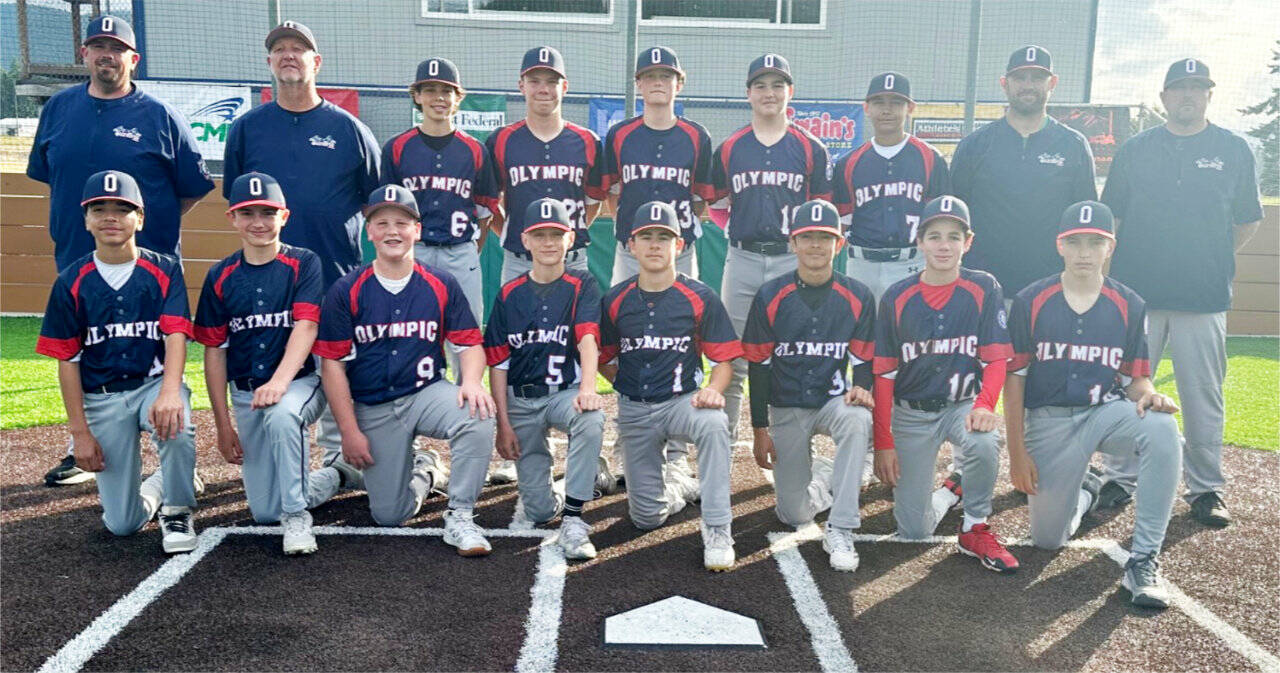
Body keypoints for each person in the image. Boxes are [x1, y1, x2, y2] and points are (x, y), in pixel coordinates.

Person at [27, 15, 214, 487]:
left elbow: (191, 186)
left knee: (156, 353)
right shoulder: (59, 110)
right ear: (85, 55)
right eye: (97, 46)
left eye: (116, 48)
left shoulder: (159, 115)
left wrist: (144, 228)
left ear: (134, 58)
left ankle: (174, 460)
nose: (106, 55)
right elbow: (51, 174)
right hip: (77, 257)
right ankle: (82, 444)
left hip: (149, 263)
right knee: (88, 351)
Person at [1096, 59, 1264, 528]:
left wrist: (1211, 256)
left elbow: (1248, 219)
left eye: (1197, 88)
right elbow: (1115, 217)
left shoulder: (1232, 148)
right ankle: (1120, 477)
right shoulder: (1136, 148)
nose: (1188, 95)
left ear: (1210, 95)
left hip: (1202, 295)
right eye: (1179, 88)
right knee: (1127, 389)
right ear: (1165, 96)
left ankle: (1206, 488)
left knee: (1202, 395)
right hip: (1138, 294)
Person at [222, 20, 381, 484]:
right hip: (268, 279)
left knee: (336, 365)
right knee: (275, 370)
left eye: (299, 49)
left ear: (317, 62)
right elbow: (235, 198)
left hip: (333, 272)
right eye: (280, 50)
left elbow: (374, 203)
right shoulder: (247, 129)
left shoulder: (349, 129)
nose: (289, 55)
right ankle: (279, 460)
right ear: (269, 63)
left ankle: (339, 458)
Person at [1005, 200, 1183, 608]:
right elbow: (1014, 380)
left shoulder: (1130, 303)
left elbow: (1136, 378)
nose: (1084, 251)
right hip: (1048, 421)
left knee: (1161, 427)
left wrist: (1150, 394)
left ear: (1110, 248)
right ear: (1060, 246)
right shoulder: (1032, 299)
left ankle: (1143, 559)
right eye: (1075, 241)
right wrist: (1017, 453)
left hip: (1105, 413)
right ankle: (1087, 491)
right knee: (1048, 540)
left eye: (1095, 242)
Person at [313, 185, 496, 555]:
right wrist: (349, 432)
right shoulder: (346, 290)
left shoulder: (440, 283)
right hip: (374, 406)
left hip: (425, 392)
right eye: (382, 223)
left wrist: (473, 381)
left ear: (418, 229)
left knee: (477, 414)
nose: (392, 231)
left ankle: (460, 514)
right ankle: (425, 471)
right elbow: (332, 366)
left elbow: (470, 342)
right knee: (389, 515)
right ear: (369, 231)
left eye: (401, 222)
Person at [35, 170, 200, 554]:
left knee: (176, 421)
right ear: (86, 219)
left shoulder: (164, 269)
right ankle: (165, 482)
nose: (111, 216)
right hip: (102, 397)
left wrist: (171, 391)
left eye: (122, 209)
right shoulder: (70, 281)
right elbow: (67, 360)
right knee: (123, 525)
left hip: (151, 384)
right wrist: (80, 434)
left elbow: (176, 334)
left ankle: (177, 508)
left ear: (140, 218)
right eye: (100, 208)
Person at [194, 172, 355, 556]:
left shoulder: (303, 262)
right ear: (232, 218)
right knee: (265, 511)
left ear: (284, 216)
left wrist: (281, 382)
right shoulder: (220, 275)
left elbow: (307, 325)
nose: (258, 222)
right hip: (247, 391)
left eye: (267, 212)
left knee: (283, 415)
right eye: (247, 213)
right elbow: (214, 352)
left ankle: (298, 518)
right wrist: (221, 424)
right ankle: (337, 475)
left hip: (300, 380)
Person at [872, 195, 1019, 574]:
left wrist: (985, 405)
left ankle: (975, 526)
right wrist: (884, 443)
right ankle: (950, 490)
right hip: (911, 413)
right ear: (919, 241)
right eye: (934, 235)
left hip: (961, 406)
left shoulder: (983, 287)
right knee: (914, 532)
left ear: (967, 242)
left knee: (985, 440)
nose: (944, 245)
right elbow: (884, 375)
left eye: (954, 236)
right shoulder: (896, 296)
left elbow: (996, 359)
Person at [485, 45, 606, 484]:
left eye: (551, 80)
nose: (543, 88)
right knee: (521, 347)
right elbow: (491, 202)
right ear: (521, 86)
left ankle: (584, 444)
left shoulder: (588, 142)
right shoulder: (501, 140)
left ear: (564, 87)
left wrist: (565, 239)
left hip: (573, 260)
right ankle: (524, 436)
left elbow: (594, 202)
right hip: (519, 261)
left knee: (577, 344)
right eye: (534, 80)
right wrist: (514, 233)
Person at [599, 202, 742, 571]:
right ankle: (677, 486)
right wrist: (626, 382)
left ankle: (717, 528)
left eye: (664, 237)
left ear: (679, 245)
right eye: (646, 236)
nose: (654, 244)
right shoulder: (615, 300)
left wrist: (712, 389)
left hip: (682, 404)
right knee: (645, 518)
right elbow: (603, 357)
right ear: (631, 245)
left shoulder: (699, 296)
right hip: (635, 409)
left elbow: (724, 360)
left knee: (713, 423)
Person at [600, 45, 715, 490]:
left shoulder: (695, 135)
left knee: (682, 342)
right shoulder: (621, 134)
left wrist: (676, 239)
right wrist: (634, 231)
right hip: (630, 252)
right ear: (639, 86)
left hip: (680, 253)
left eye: (666, 76)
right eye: (649, 76)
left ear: (678, 84)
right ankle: (627, 445)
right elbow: (610, 193)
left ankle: (676, 452)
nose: (657, 83)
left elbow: (703, 198)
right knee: (626, 340)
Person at [742, 200, 876, 572]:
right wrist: (759, 428)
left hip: (833, 401)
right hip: (786, 407)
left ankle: (843, 525)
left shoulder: (858, 295)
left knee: (857, 418)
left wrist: (862, 388)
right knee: (793, 514)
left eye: (825, 237)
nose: (816, 245)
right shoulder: (771, 295)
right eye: (807, 237)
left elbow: (864, 361)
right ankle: (832, 475)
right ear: (792, 243)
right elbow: (759, 366)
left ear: (840, 244)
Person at [832, 71, 950, 487]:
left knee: (911, 351)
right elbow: (842, 222)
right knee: (864, 350)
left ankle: (905, 441)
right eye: (879, 101)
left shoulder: (931, 159)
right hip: (862, 262)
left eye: (896, 102)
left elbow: (940, 224)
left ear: (910, 109)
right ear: (867, 108)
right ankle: (866, 445)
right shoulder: (848, 164)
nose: (887, 109)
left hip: (910, 262)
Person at [711, 53, 831, 441]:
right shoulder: (730, 148)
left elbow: (822, 212)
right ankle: (722, 443)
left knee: (791, 356)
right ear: (748, 94)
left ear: (789, 92)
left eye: (777, 85)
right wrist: (743, 229)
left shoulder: (810, 148)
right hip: (743, 257)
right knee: (732, 356)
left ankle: (789, 444)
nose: (769, 92)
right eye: (760, 85)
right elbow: (716, 207)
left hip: (788, 261)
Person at [484, 199, 606, 560]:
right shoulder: (509, 293)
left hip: (562, 394)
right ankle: (577, 482)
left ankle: (573, 517)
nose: (549, 242)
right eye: (540, 235)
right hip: (521, 401)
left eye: (557, 234)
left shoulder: (581, 282)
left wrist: (587, 389)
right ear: (525, 240)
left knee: (591, 418)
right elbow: (498, 363)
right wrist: (502, 425)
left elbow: (587, 338)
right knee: (537, 513)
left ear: (571, 238)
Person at [950, 45, 1096, 297]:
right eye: (1019, 77)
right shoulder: (976, 144)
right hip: (984, 288)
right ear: (1004, 83)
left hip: (1051, 289)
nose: (1028, 85)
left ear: (1053, 83)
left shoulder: (1073, 144)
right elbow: (955, 215)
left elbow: (1085, 219)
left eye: (1037, 77)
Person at [380, 56, 499, 330]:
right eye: (430, 90)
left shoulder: (475, 150)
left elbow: (484, 211)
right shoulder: (396, 147)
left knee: (465, 332)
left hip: (460, 251)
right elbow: (386, 212)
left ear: (458, 98)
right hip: (413, 251)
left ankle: (464, 377)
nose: (439, 98)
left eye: (446, 91)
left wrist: (469, 249)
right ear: (417, 96)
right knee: (407, 328)